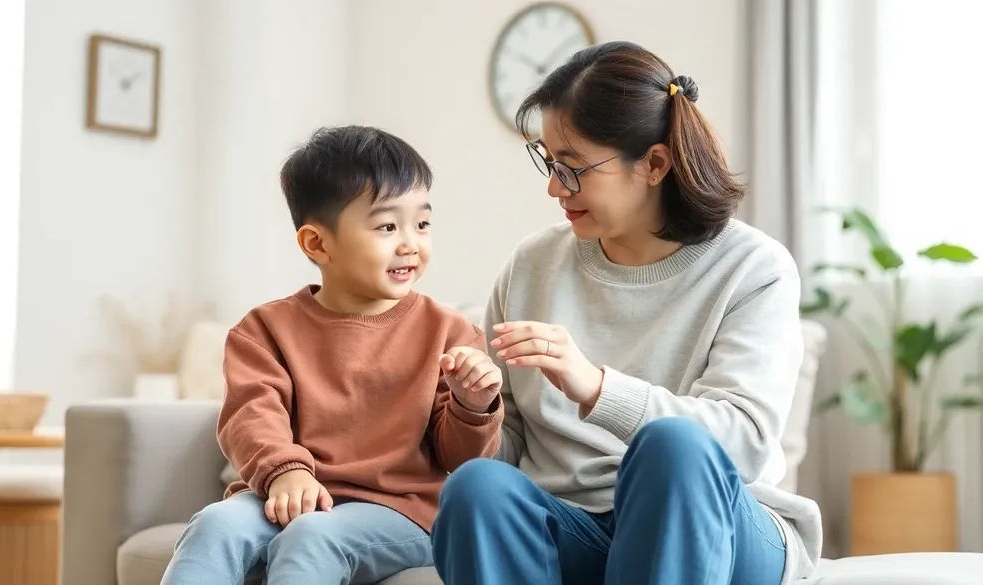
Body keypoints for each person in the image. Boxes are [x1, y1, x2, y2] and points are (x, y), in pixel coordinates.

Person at [432, 41, 822, 585]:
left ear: (655, 163)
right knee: (477, 487)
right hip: (577, 526)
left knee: (676, 447)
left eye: (572, 168)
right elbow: (509, 451)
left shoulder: (753, 267)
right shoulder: (532, 265)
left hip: (720, 525)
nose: (553, 187)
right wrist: (478, 411)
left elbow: (743, 444)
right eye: (548, 163)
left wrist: (594, 386)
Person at [161, 125, 504, 585]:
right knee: (215, 523)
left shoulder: (451, 332)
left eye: (421, 223)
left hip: (403, 511)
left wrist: (472, 404)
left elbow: (460, 459)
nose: (411, 243)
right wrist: (285, 472)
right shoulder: (264, 330)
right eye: (387, 226)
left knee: (311, 538)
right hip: (289, 492)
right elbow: (252, 415)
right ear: (316, 243)